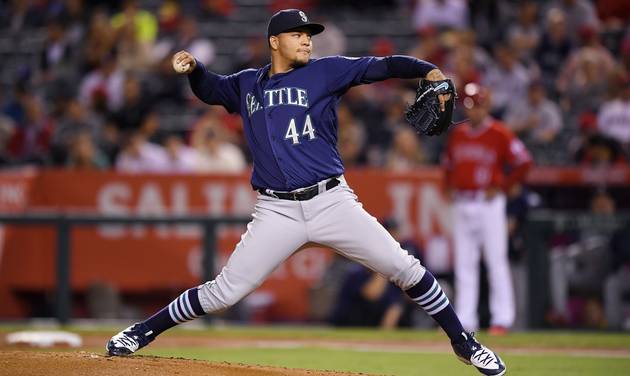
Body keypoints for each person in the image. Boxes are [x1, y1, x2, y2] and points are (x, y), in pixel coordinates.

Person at [106, 9, 506, 376]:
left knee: (405, 269)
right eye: (297, 35)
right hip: (276, 211)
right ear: (275, 42)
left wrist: (427, 69)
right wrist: (194, 68)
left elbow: (382, 66)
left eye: (308, 35)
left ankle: (465, 343)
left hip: (331, 200)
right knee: (224, 292)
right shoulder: (247, 84)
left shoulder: (325, 72)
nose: (307, 41)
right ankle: (142, 331)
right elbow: (211, 90)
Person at [442, 83, 533, 336]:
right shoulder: (458, 135)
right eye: (469, 106)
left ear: (486, 106)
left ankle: (502, 319)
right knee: (464, 264)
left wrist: (504, 185)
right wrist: (448, 186)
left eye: (478, 106)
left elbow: (524, 162)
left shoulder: (500, 133)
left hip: (489, 202)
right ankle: (465, 320)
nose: (473, 111)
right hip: (463, 202)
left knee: (495, 261)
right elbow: (448, 165)